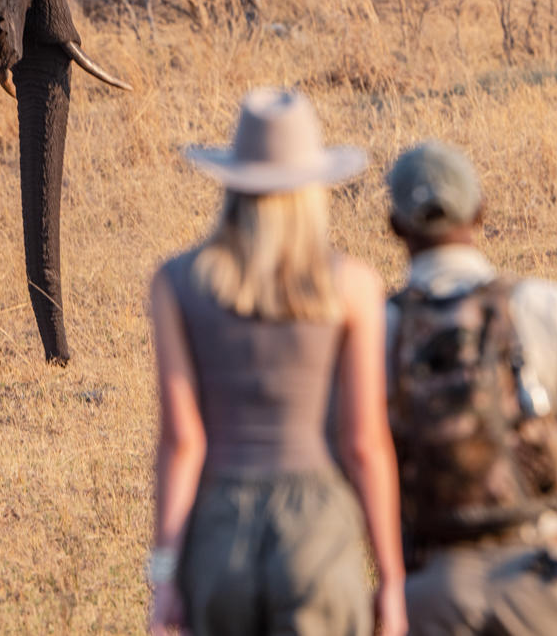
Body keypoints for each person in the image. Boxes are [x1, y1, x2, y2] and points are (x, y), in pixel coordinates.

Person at [147, 88, 407, 636]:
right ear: (314, 187)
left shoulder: (176, 284)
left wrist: (165, 576)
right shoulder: (355, 287)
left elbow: (183, 442)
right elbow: (363, 444)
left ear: (232, 183)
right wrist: (391, 577)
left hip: (219, 533)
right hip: (317, 532)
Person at [382, 141, 557, 636]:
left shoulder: (379, 328)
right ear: (481, 211)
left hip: (433, 584)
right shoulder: (547, 305)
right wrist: (554, 512)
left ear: (394, 226)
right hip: (542, 571)